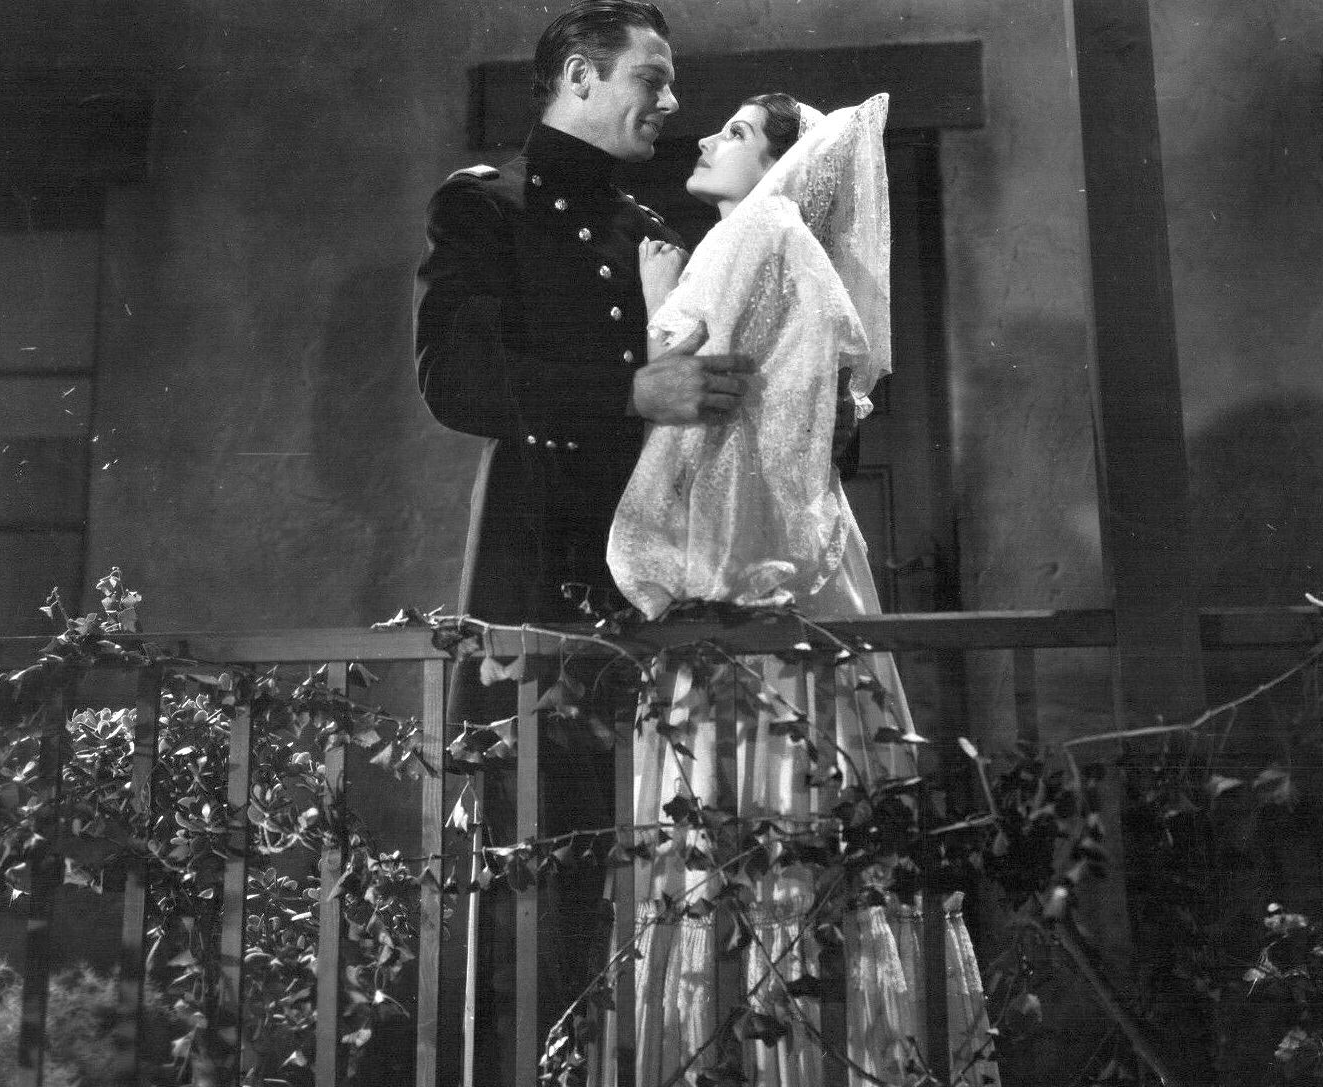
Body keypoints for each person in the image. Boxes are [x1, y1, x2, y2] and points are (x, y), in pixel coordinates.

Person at [603, 93, 1001, 1085]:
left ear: (785, 163)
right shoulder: (773, 242)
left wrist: (657, 297)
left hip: (755, 570)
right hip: (781, 553)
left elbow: (682, 369)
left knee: (771, 806)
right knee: (786, 805)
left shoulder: (762, 227)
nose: (707, 138)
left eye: (736, 133)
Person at [413, 3, 752, 1082]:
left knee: (662, 868)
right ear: (578, 76)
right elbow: (455, 382)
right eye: (652, 77)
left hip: (657, 583)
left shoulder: (652, 224)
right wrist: (629, 392)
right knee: (535, 875)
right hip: (539, 576)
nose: (671, 101)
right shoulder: (487, 207)